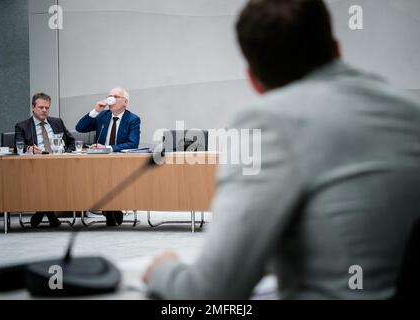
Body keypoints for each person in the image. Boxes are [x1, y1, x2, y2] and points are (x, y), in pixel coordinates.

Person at [142, 0, 420, 299]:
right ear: (336, 49)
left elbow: (210, 293)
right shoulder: (410, 111)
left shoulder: (267, 120)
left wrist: (164, 270)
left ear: (254, 80)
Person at [76, 86, 141, 226]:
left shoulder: (133, 119)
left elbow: (133, 144)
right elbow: (80, 128)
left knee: (112, 177)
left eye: (116, 96)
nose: (111, 99)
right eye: (109, 96)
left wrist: (107, 148)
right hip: (99, 161)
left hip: (120, 161)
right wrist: (96, 111)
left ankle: (111, 209)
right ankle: (111, 209)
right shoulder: (102, 116)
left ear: (125, 102)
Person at [15, 92, 76, 228]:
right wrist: (29, 149)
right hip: (35, 165)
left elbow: (72, 141)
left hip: (59, 163)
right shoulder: (22, 126)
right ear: (33, 107)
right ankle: (50, 214)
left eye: (47, 108)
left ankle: (42, 211)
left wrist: (67, 154)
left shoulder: (57, 122)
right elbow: (18, 145)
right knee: (45, 179)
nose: (44, 110)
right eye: (41, 107)